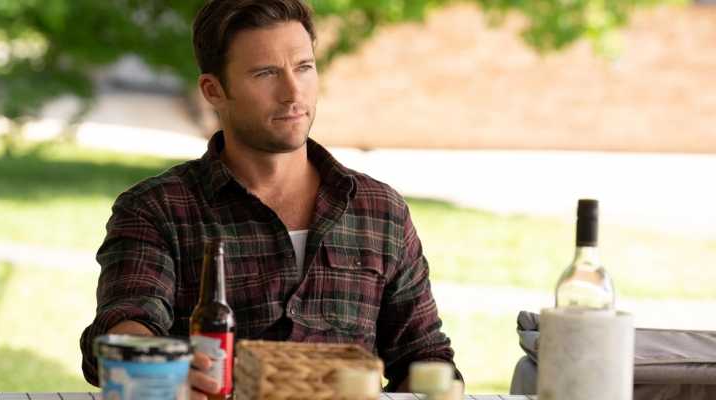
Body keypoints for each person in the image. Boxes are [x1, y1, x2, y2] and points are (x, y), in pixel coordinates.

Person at [79, 0, 460, 397]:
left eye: (304, 67)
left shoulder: (380, 211)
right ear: (213, 90)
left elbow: (423, 355)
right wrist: (157, 368)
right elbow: (127, 323)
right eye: (265, 73)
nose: (293, 92)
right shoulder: (157, 209)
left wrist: (441, 385)